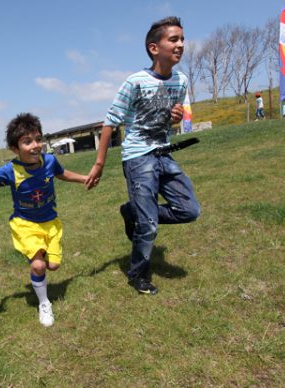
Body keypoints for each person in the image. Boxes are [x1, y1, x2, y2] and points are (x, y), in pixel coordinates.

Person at [85, 16, 200, 295]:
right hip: (138, 157)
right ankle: (138, 276)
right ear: (153, 47)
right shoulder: (135, 82)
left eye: (182, 39)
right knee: (148, 226)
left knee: (189, 210)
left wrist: (175, 116)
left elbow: (168, 119)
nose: (181, 44)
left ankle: (133, 211)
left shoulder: (181, 81)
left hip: (164, 153)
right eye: (173, 39)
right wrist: (99, 163)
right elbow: (110, 121)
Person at [0, 113, 87, 327]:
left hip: (51, 222)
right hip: (25, 224)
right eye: (27, 141)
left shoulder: (50, 161)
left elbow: (63, 174)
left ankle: (38, 259)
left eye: (38, 139)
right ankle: (44, 303)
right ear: (15, 149)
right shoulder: (9, 171)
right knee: (39, 266)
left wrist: (84, 179)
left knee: (54, 265)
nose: (35, 145)